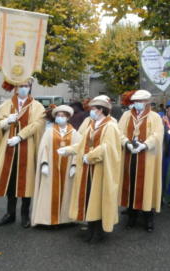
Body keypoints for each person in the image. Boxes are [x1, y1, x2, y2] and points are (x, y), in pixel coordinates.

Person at [62, 96, 121, 243]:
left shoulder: (110, 126)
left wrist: (90, 156)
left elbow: (107, 147)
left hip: (101, 168)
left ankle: (99, 230)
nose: (91, 112)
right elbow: (83, 144)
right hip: (88, 168)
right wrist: (68, 150)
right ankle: (91, 227)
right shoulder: (92, 125)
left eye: (93, 109)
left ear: (101, 110)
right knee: (89, 197)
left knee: (99, 198)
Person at [0, 78, 46, 228]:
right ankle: (10, 214)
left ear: (30, 88)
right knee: (10, 181)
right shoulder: (5, 105)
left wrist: (20, 136)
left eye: (26, 86)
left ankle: (25, 214)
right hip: (8, 148)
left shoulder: (37, 106)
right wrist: (7, 121)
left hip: (27, 147)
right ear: (15, 87)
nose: (23, 89)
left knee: (26, 180)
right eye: (21, 86)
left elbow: (38, 124)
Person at [119, 90, 164, 232]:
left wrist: (144, 145)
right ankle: (131, 216)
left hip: (147, 158)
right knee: (130, 184)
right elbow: (118, 132)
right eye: (135, 101)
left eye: (140, 101)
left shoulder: (155, 117)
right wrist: (126, 143)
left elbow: (157, 135)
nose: (137, 104)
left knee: (147, 187)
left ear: (146, 102)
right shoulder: (126, 116)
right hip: (129, 156)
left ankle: (148, 218)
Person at [31, 105, 81, 227]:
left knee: (67, 192)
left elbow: (78, 148)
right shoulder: (49, 131)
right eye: (58, 116)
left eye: (63, 116)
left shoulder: (74, 132)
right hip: (51, 169)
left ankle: (65, 219)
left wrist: (74, 165)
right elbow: (44, 148)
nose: (60, 118)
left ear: (68, 117)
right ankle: (47, 219)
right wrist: (44, 163)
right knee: (48, 192)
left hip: (67, 168)